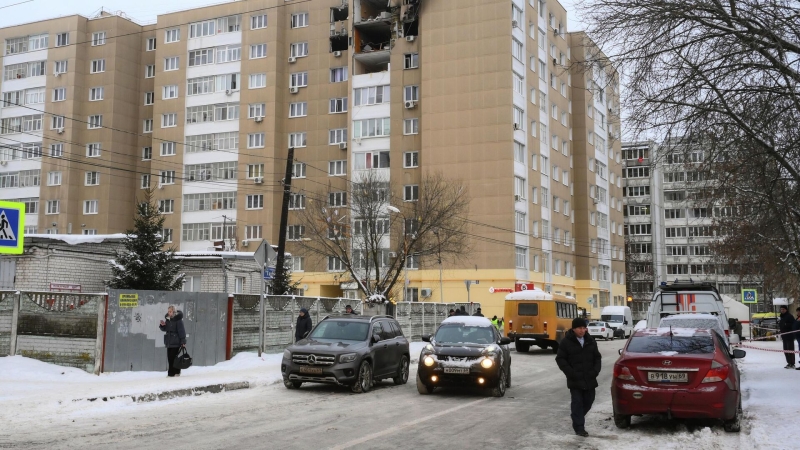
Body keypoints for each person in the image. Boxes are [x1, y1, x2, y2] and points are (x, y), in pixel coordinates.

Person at [555, 317, 601, 437]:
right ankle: (579, 427)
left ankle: (577, 416)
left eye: (584, 328)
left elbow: (597, 357)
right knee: (577, 402)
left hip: (589, 378)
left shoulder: (590, 341)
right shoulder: (566, 342)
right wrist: (570, 372)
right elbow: (560, 359)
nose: (582, 330)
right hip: (575, 379)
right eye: (579, 328)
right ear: (574, 329)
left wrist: (595, 371)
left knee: (589, 401)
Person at [158, 306, 186, 378]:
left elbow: (181, 331)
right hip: (169, 341)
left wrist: (183, 341)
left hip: (176, 341)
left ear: (174, 312)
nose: (169, 313)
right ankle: (175, 372)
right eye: (168, 311)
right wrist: (162, 325)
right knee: (170, 357)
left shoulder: (178, 320)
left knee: (173, 357)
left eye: (170, 311)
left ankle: (172, 373)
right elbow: (165, 329)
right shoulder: (168, 319)